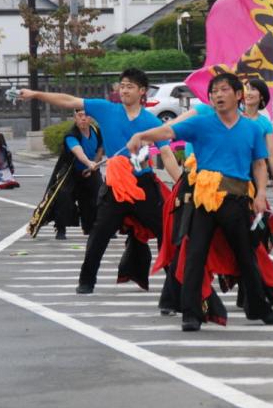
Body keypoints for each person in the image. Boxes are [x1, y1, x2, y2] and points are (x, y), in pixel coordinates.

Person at [128, 72, 273, 332]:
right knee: (195, 255)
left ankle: (257, 306)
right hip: (203, 202)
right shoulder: (202, 123)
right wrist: (141, 135)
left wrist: (260, 195)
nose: (218, 95)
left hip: (236, 200)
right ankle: (191, 313)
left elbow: (258, 164)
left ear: (238, 95)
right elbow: (168, 129)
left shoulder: (252, 128)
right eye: (214, 92)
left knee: (247, 256)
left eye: (223, 90)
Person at [18, 67, 181, 295]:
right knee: (99, 233)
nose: (124, 90)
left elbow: (166, 154)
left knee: (166, 233)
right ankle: (86, 282)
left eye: (130, 86)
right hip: (115, 187)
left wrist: (182, 184)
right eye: (121, 85)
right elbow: (68, 100)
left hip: (143, 186)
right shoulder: (106, 110)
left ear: (142, 91)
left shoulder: (150, 121)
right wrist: (36, 94)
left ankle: (176, 288)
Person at [29, 109, 104, 240]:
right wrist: (88, 163)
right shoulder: (71, 135)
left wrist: (93, 165)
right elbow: (78, 151)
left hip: (91, 169)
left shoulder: (96, 131)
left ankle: (94, 227)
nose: (83, 119)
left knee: (100, 195)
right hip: (71, 170)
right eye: (80, 116)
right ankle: (60, 228)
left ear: (91, 118)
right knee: (63, 196)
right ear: (75, 118)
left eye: (86, 116)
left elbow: (100, 149)